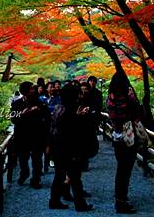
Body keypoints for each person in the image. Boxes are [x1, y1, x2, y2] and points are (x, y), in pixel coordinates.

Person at [48, 84, 94, 212]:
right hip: (69, 149)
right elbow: (71, 130)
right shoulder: (70, 110)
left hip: (58, 148)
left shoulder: (59, 108)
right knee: (75, 178)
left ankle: (54, 201)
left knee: (59, 176)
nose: (80, 96)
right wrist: (81, 117)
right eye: (78, 93)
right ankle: (80, 204)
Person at [106, 70, 143, 214]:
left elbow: (111, 115)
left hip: (117, 136)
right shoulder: (128, 96)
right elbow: (138, 111)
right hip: (129, 137)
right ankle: (121, 201)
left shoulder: (110, 98)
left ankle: (120, 198)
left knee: (121, 168)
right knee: (125, 170)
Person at [11, 81, 50, 189]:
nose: (34, 90)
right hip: (22, 135)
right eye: (31, 89)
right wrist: (23, 114)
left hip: (37, 135)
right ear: (25, 91)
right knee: (23, 158)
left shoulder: (39, 102)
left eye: (34, 88)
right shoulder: (16, 103)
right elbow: (13, 119)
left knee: (37, 158)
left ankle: (36, 179)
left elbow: (47, 118)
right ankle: (24, 173)